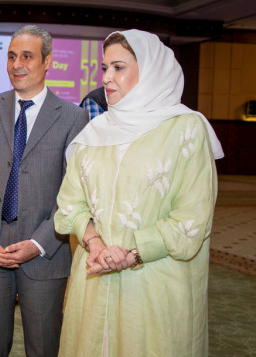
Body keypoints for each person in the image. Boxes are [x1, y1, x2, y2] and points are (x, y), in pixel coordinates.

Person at [53, 29, 224, 356]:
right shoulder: (95, 132)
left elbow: (192, 218)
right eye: (105, 68)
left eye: (118, 68)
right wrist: (96, 244)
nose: (106, 77)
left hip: (154, 284)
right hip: (94, 275)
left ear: (150, 71)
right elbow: (70, 204)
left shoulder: (185, 129)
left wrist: (131, 254)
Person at [0, 25, 89, 356]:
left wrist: (38, 243)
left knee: (44, 347)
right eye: (12, 56)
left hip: (45, 253)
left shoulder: (73, 117)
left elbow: (74, 192)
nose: (17, 64)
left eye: (27, 56)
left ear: (48, 61)